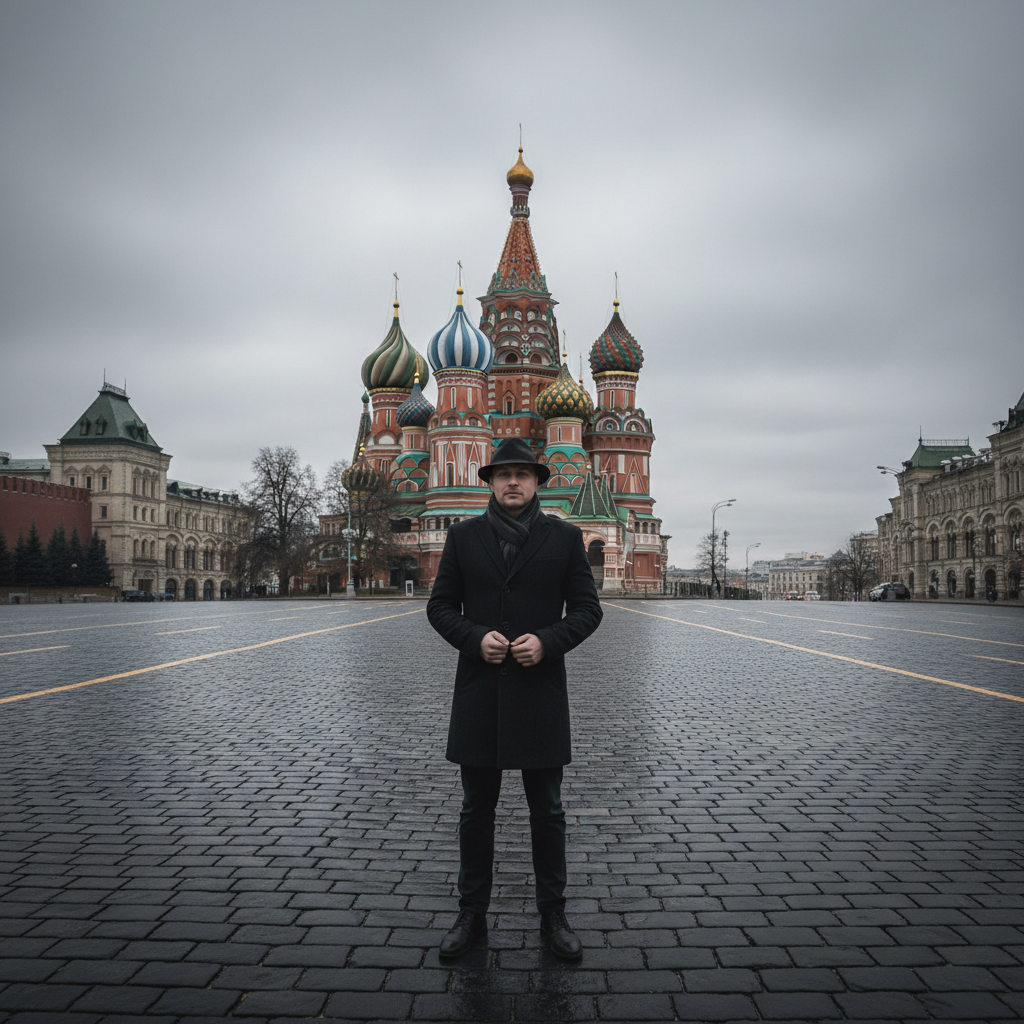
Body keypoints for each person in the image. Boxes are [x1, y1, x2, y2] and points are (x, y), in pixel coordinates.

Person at [426, 437, 603, 961]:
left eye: (522, 474)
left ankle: (554, 914)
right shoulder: (463, 536)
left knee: (547, 811)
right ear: (489, 482)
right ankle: (471, 914)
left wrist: (548, 641)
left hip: (538, 691)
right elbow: (440, 607)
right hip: (480, 692)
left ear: (537, 482)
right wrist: (473, 637)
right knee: (475, 811)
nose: (512, 482)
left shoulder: (564, 538)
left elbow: (588, 610)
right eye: (502, 474)